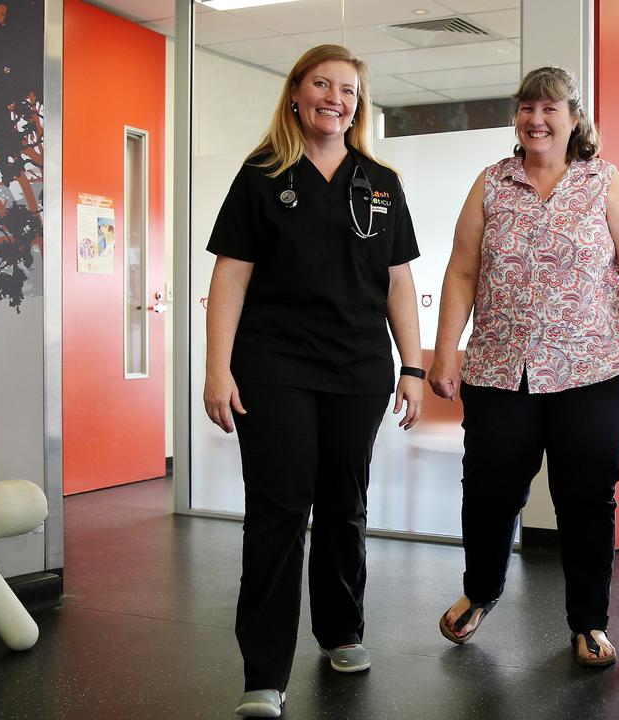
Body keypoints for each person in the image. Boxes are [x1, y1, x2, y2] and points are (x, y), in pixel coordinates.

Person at [202, 44, 423, 718]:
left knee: (343, 501)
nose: (335, 98)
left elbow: (399, 282)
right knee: (279, 508)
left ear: (359, 103)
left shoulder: (380, 181)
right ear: (296, 93)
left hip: (358, 367)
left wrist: (411, 365)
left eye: (348, 89)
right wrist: (216, 368)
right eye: (322, 85)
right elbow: (230, 277)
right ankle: (264, 671)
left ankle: (341, 630)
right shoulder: (261, 175)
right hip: (275, 365)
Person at [428, 66, 619, 667]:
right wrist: (447, 348)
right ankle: (480, 592)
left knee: (586, 495)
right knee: (489, 489)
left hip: (593, 369)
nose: (536, 118)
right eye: (527, 108)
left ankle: (588, 622)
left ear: (574, 118)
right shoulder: (492, 183)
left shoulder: (603, 183)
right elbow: (461, 271)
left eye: (550, 108)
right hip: (500, 369)